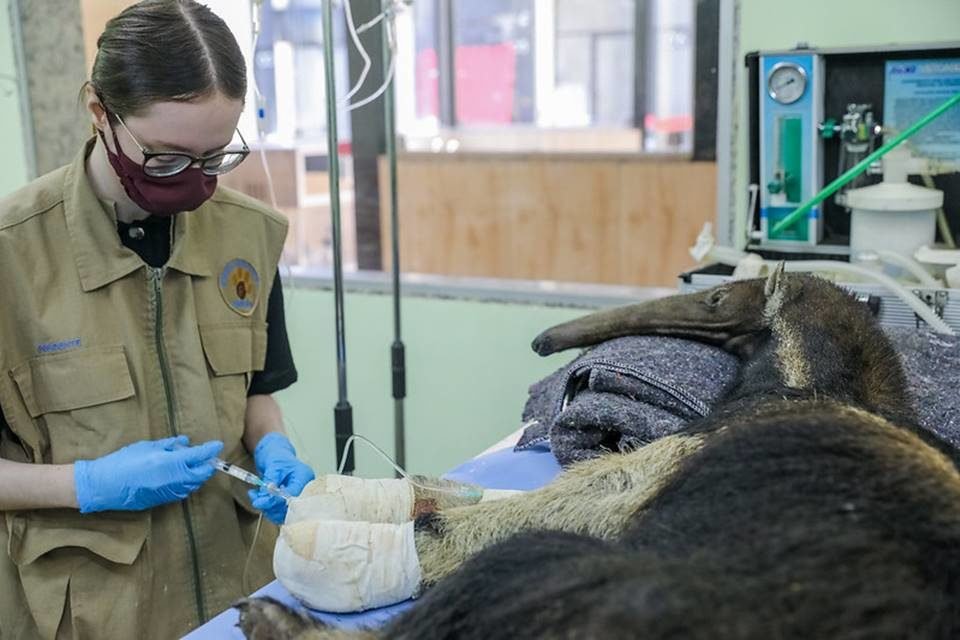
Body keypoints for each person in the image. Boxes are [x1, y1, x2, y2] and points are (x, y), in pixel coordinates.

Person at [0, 1, 315, 637]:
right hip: (91, 608)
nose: (195, 184)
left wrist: (272, 442)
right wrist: (86, 484)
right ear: (100, 112)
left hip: (239, 590)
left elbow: (255, 388)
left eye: (215, 157)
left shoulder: (246, 236)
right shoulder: (12, 258)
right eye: (167, 158)